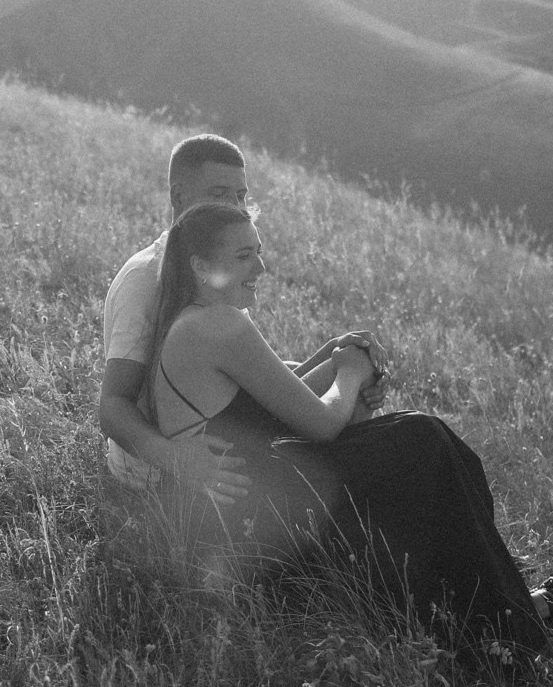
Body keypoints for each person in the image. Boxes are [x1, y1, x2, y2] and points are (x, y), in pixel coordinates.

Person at [144, 200, 553, 659]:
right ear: (201, 266)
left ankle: (483, 615)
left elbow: (276, 399)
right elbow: (319, 424)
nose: (261, 265)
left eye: (258, 251)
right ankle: (510, 622)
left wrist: (337, 357)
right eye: (243, 256)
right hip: (251, 527)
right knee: (423, 440)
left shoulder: (194, 319)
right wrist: (351, 374)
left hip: (244, 514)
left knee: (415, 447)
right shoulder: (220, 324)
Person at [96, 136, 386, 505]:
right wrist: (173, 457)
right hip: (164, 478)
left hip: (226, 455)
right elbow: (113, 405)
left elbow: (241, 392)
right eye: (219, 194)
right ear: (179, 197)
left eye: (240, 196)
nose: (236, 207)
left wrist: (333, 359)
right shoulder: (143, 279)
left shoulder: (220, 271)